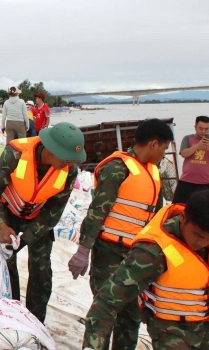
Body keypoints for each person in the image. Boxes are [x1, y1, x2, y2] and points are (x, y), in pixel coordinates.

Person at [82, 191, 209, 350]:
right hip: (172, 333)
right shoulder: (154, 251)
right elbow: (108, 299)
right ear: (183, 218)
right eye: (198, 235)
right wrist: (92, 344)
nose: (202, 243)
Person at [68, 119, 174, 350]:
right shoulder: (117, 168)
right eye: (164, 148)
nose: (164, 154)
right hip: (109, 253)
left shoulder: (152, 172)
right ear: (153, 144)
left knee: (131, 317)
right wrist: (83, 251)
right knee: (104, 313)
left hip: (137, 257)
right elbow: (97, 211)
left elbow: (156, 218)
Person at [0, 122, 85, 322]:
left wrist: (25, 239)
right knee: (7, 265)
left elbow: (53, 211)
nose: (69, 164)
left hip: (39, 219)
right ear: (51, 149)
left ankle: (34, 322)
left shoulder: (69, 171)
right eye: (66, 158)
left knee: (41, 271)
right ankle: (10, 315)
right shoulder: (15, 155)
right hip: (7, 215)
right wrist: (1, 226)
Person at [174, 116, 209, 204]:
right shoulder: (188, 138)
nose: (203, 131)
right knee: (177, 207)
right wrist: (198, 146)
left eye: (206, 129)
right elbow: (183, 153)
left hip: (206, 183)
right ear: (195, 127)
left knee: (204, 209)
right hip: (186, 181)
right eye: (201, 129)